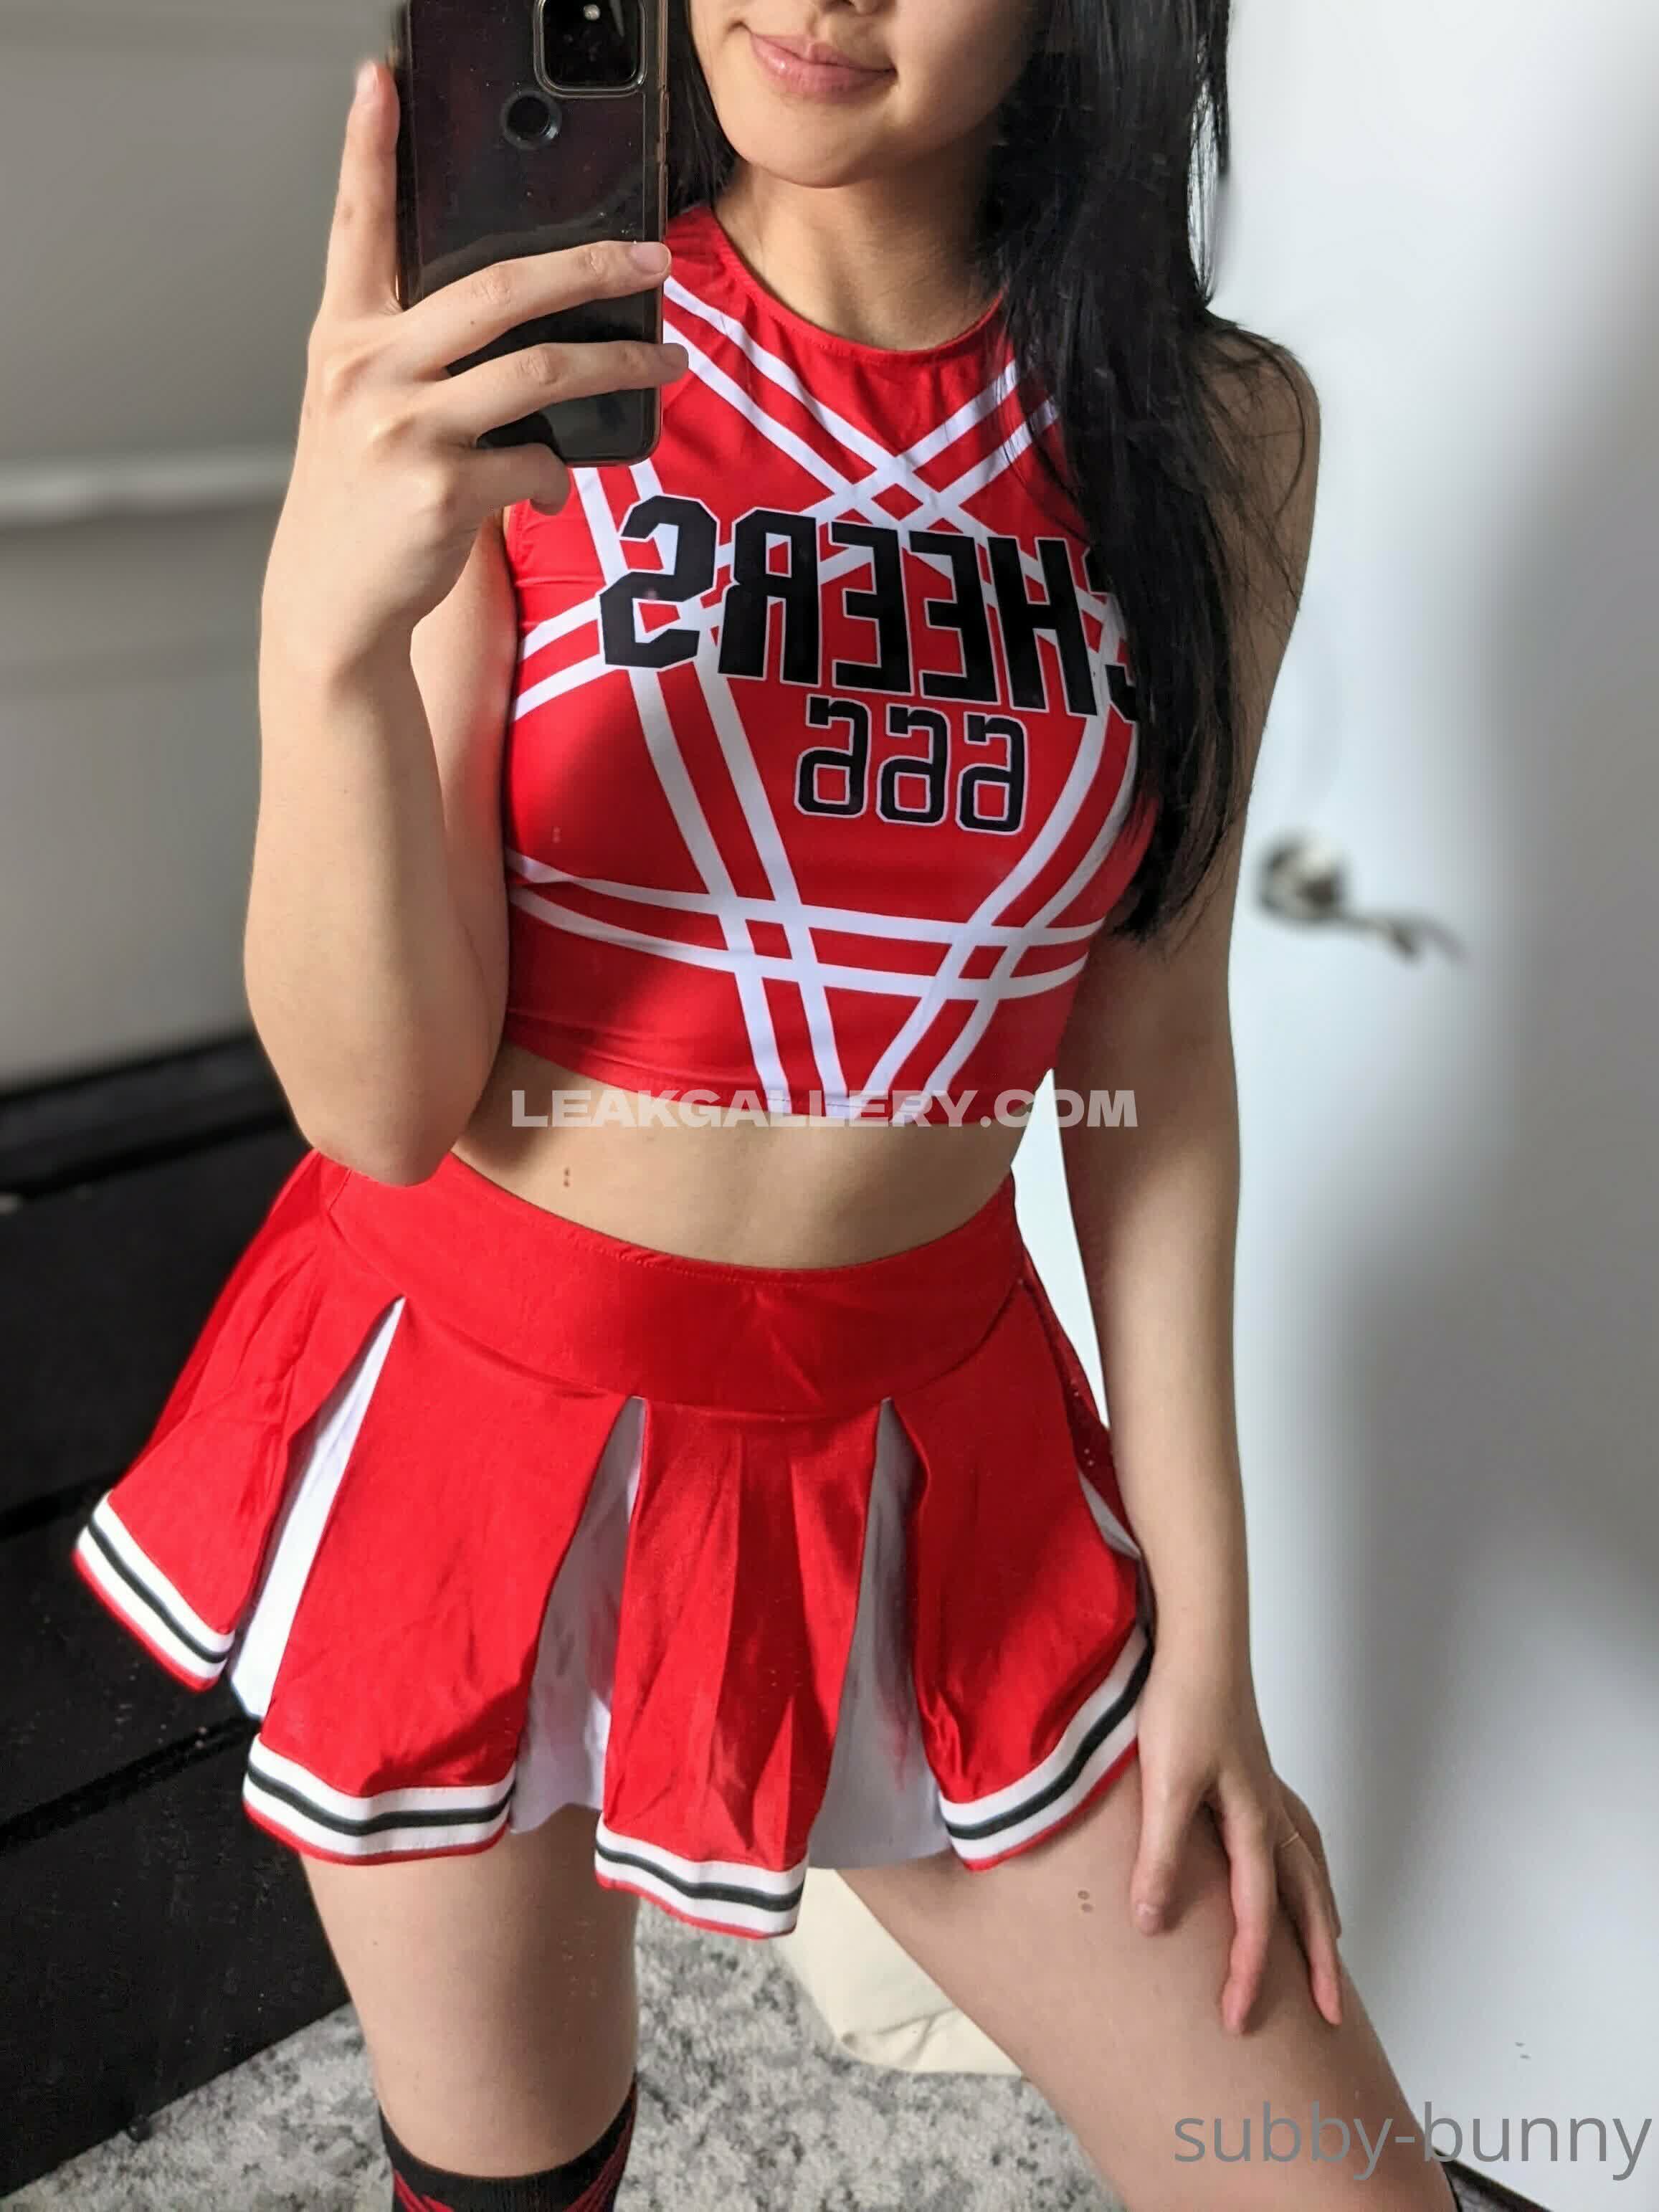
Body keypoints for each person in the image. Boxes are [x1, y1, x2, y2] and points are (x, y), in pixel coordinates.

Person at [70, 5, 1553, 2209]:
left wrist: (1212, 1652)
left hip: (930, 1454)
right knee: (506, 2178)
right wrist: (323, 635)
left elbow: (1152, 1053)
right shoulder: (533, 339)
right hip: (465, 1416)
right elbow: (382, 1108)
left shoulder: (1211, 433)